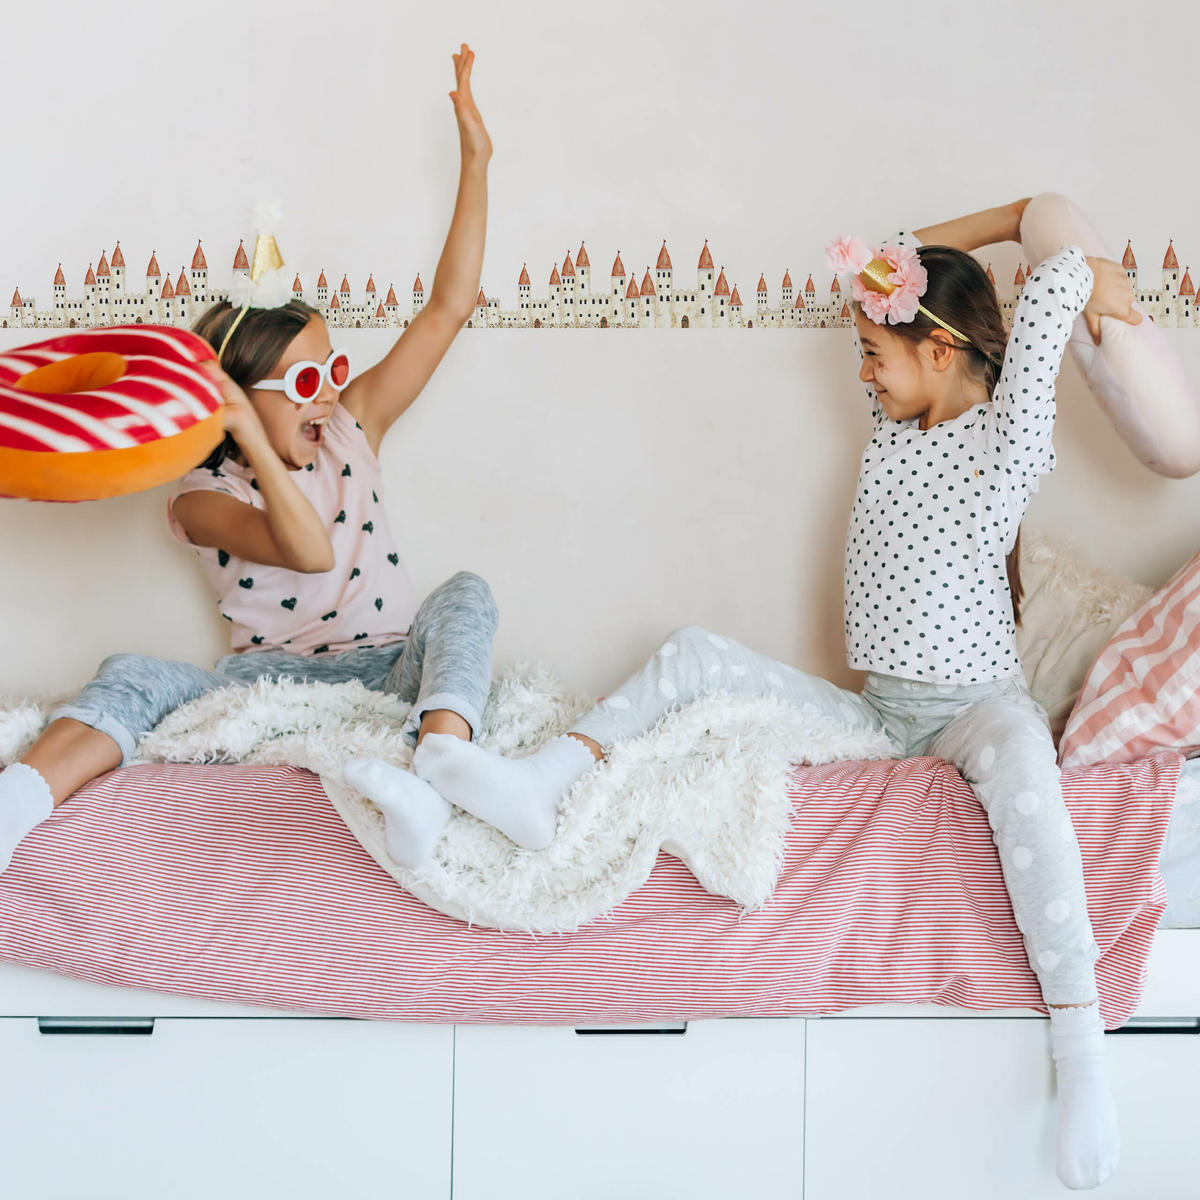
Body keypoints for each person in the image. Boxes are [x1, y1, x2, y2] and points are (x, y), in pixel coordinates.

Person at [403, 198, 1141, 1190]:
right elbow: (895, 261)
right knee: (695, 654)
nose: (864, 374)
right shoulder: (895, 427)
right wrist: (977, 230)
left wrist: (1053, 237)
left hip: (976, 705)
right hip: (880, 713)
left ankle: (1080, 1039)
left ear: (940, 350)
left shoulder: (1004, 444)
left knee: (1024, 761)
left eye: (874, 353)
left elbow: (1054, 287)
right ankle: (543, 779)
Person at [0, 44, 497, 875]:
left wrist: (476, 161)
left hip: (388, 671)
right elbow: (309, 551)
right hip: (267, 686)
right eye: (303, 381)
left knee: (466, 597)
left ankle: (440, 770)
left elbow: (447, 309)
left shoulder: (353, 428)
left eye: (333, 371)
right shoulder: (201, 495)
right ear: (239, 394)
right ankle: (15, 804)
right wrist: (253, 440)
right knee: (132, 673)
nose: (328, 394)